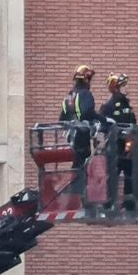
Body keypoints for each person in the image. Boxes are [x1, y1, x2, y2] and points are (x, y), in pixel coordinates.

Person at [59, 65, 105, 194]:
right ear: (86, 79)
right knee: (83, 162)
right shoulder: (85, 94)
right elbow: (87, 112)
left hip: (71, 135)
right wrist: (103, 119)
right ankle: (78, 191)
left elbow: (62, 117)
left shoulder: (70, 95)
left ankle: (74, 190)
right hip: (82, 134)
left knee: (77, 162)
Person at [100, 72, 138, 210]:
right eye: (121, 86)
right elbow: (103, 126)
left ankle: (125, 202)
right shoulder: (109, 106)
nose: (124, 89)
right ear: (115, 87)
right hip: (116, 146)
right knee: (115, 174)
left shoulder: (124, 105)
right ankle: (111, 202)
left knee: (125, 173)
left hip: (124, 146)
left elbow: (133, 123)